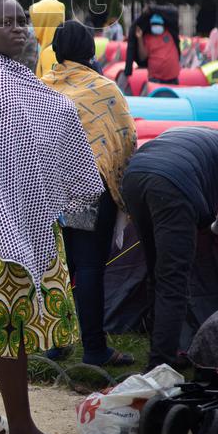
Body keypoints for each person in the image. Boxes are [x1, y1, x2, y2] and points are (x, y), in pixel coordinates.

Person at [0, 0, 104, 434]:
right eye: (7, 22)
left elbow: (32, 131)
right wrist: (7, 220)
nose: (20, 29)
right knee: (9, 321)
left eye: (23, 21)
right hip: (6, 221)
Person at [41, 20, 137, 367]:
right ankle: (95, 348)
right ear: (90, 50)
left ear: (56, 50)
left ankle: (55, 342)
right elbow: (124, 137)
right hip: (85, 189)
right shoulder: (104, 89)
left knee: (54, 265)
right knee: (88, 267)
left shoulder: (42, 86)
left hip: (46, 190)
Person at [121, 126, 218, 371]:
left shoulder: (174, 134)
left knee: (156, 273)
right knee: (173, 281)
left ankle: (161, 351)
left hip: (134, 178)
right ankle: (160, 365)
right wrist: (214, 231)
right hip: (172, 185)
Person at [135, 9, 181, 84]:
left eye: (158, 24)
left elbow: (173, 12)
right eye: (154, 24)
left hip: (173, 78)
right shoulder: (147, 38)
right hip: (156, 79)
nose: (156, 26)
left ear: (163, 25)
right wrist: (139, 38)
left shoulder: (170, 33)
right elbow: (142, 57)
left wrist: (152, 8)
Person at [29, 0, 65, 78]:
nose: (32, 26)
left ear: (43, 23)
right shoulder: (64, 46)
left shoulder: (51, 52)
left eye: (34, 21)